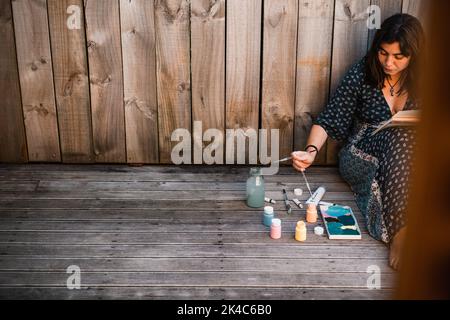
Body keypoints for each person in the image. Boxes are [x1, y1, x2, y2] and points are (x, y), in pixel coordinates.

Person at [291, 14, 425, 270]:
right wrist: (310, 152)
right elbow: (330, 117)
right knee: (397, 142)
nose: (388, 62)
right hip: (361, 150)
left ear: (414, 56)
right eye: (383, 53)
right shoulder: (363, 72)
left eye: (399, 57)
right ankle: (401, 235)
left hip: (410, 153)